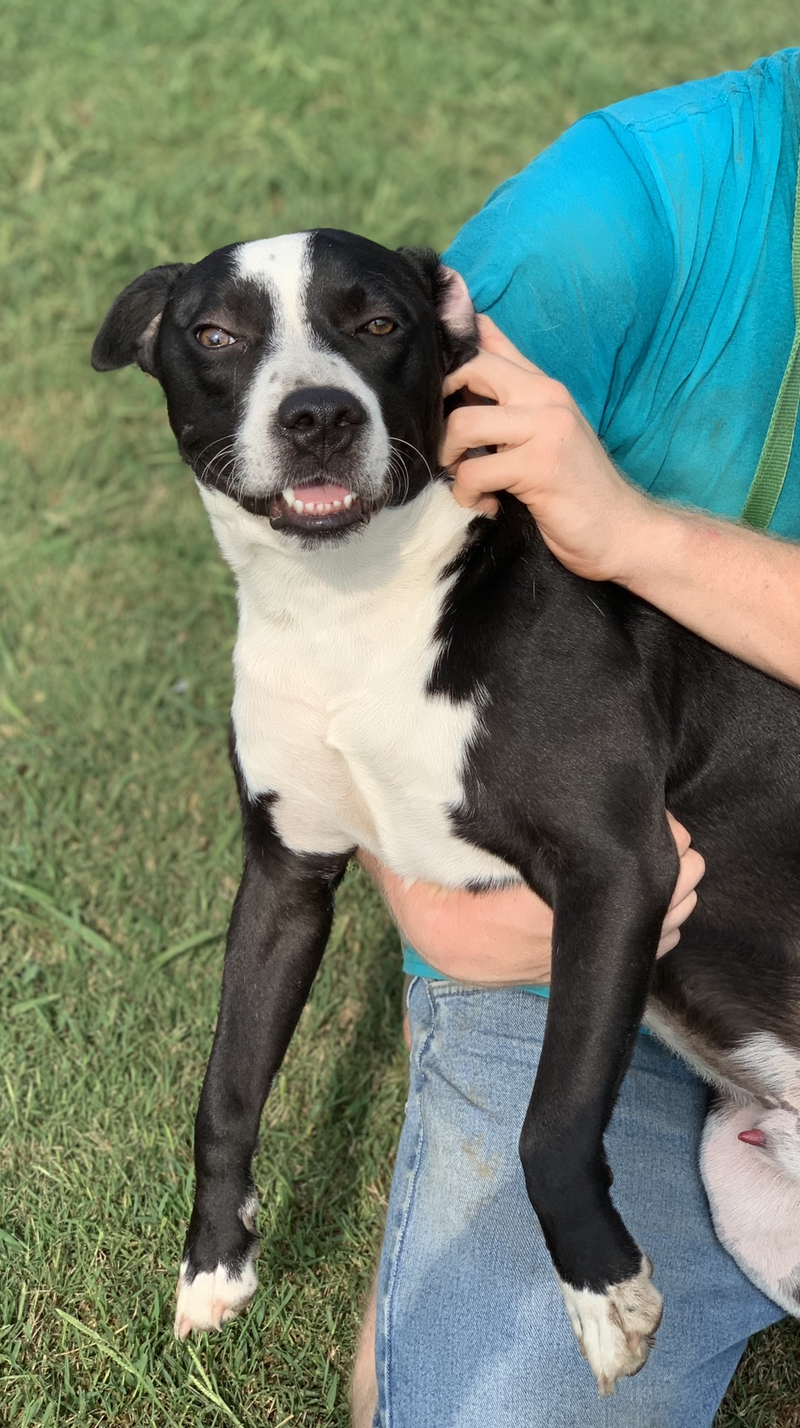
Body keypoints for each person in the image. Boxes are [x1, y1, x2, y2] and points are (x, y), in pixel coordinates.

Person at [351, 49, 800, 1428]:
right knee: (514, 1404)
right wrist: (413, 882)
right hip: (576, 939)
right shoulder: (621, 215)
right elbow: (353, 588)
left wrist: (636, 534)